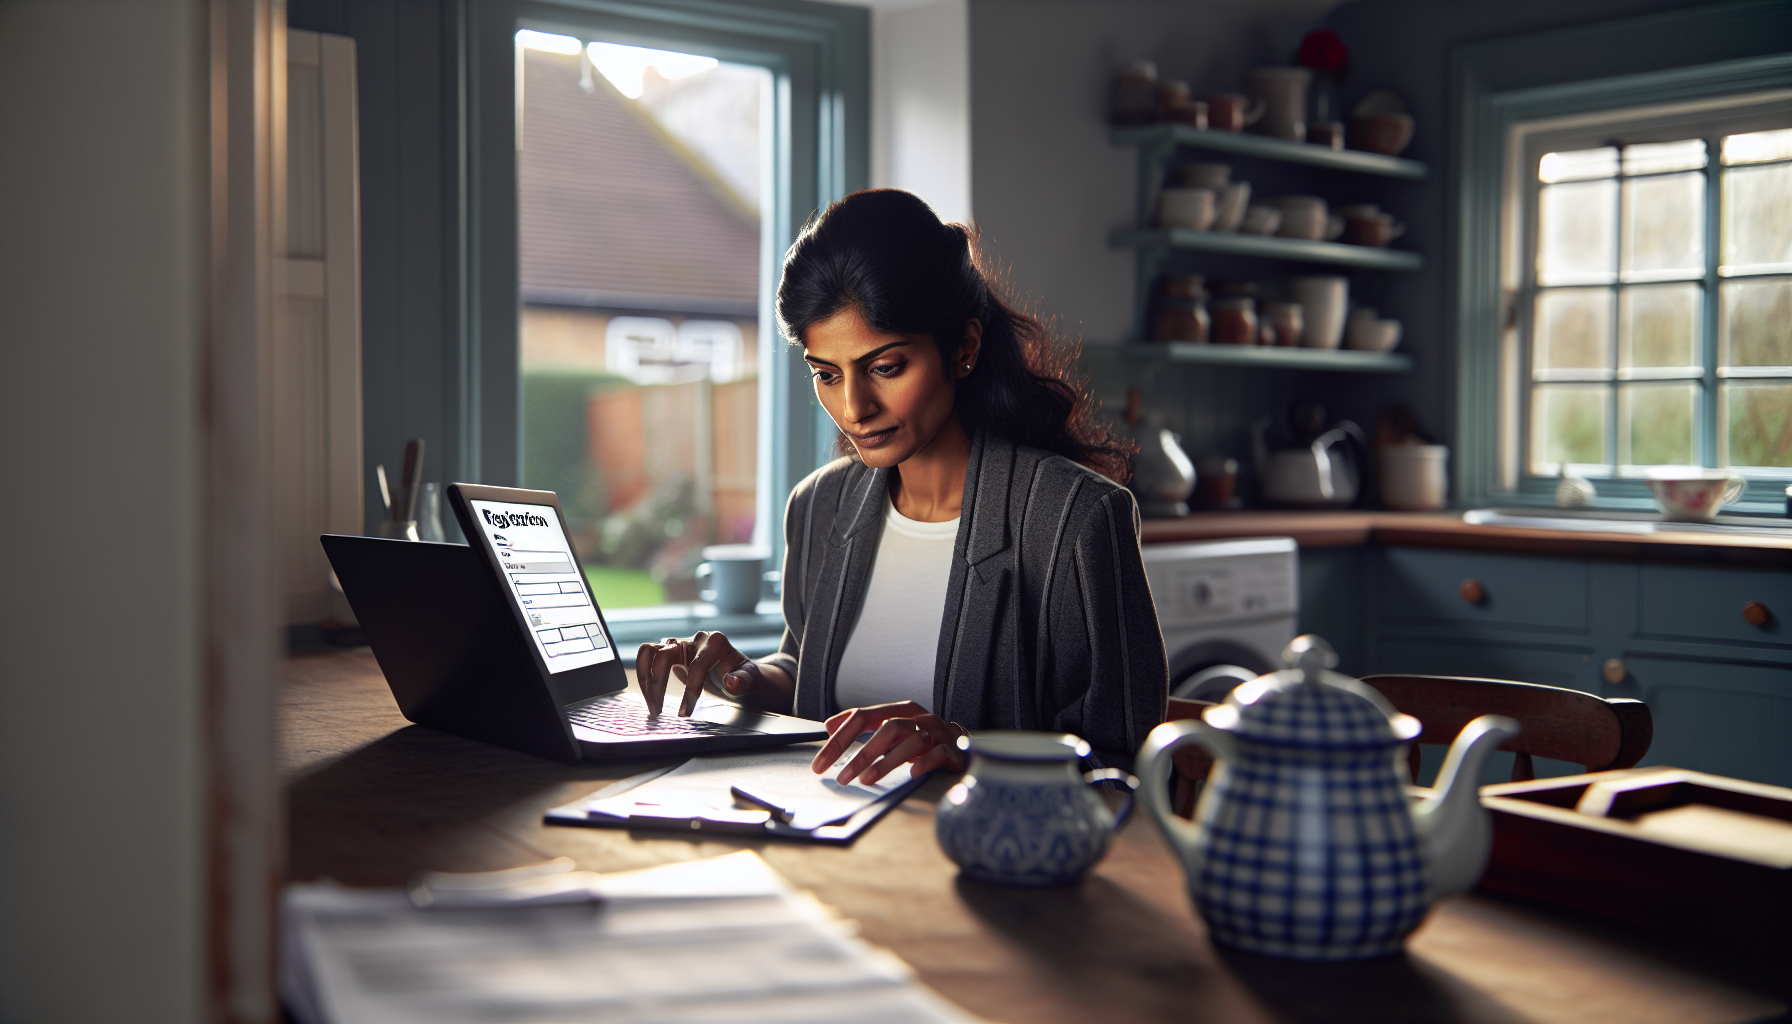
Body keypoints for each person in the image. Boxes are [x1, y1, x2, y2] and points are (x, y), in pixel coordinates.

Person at [636, 189, 1167, 785]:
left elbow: (1130, 763)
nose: (854, 407)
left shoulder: (1075, 519)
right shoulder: (817, 507)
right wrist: (745, 679)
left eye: (885, 368)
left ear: (963, 348)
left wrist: (968, 750)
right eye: (827, 375)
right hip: (830, 851)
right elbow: (808, 675)